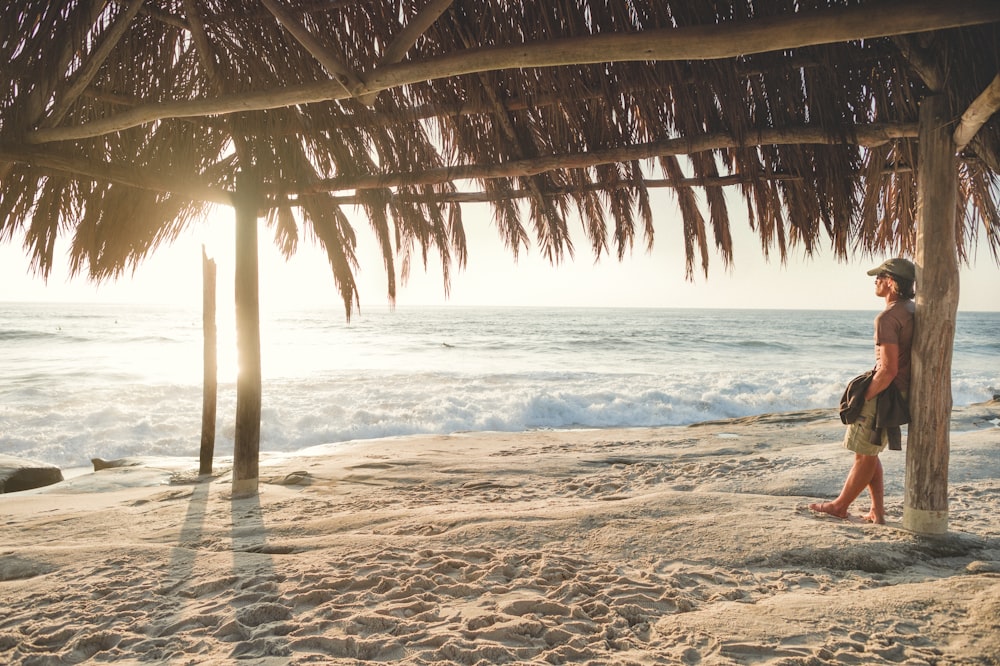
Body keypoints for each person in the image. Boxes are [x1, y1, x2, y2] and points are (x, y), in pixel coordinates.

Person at [810, 258, 916, 524]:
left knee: (864, 454)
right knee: (868, 452)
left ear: (891, 282)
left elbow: (888, 369)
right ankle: (877, 512)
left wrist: (865, 397)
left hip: (885, 392)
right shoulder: (911, 310)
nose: (875, 281)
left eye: (879, 276)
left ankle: (839, 506)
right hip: (898, 391)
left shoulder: (888, 318)